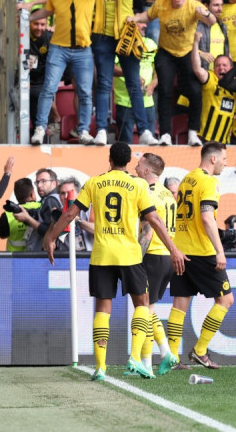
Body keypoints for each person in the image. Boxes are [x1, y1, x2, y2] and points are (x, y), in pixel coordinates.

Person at [44, 142, 187, 381]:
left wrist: (51, 237)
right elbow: (153, 219)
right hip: (129, 254)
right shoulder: (139, 184)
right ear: (129, 161)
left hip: (102, 255)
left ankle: (101, 367)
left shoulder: (94, 183)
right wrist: (173, 248)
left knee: (103, 309)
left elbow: (70, 214)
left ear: (109, 159)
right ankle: (134, 357)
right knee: (143, 304)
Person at [167, 141, 232, 370]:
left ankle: (172, 357)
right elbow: (206, 217)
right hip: (202, 251)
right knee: (226, 300)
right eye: (224, 158)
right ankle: (200, 350)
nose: (226, 163)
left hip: (181, 249)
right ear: (213, 158)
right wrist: (219, 251)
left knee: (180, 303)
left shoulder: (187, 179)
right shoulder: (209, 181)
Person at [129, 0, 217, 146]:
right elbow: (147, 16)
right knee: (165, 91)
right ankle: (165, 134)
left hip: (187, 52)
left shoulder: (194, 5)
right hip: (166, 52)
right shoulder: (161, 3)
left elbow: (211, 21)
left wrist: (206, 13)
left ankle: (193, 133)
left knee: (195, 91)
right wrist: (135, 18)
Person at [29, 0, 99, 145]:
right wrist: (28, 15)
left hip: (82, 50)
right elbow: (47, 11)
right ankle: (40, 128)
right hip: (59, 48)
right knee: (48, 88)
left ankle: (83, 130)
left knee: (85, 92)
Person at [89, 0, 157, 146]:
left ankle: (144, 131)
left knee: (133, 83)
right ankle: (101, 130)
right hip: (102, 36)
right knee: (104, 83)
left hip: (126, 34)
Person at [135, 153, 178, 375]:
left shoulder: (148, 193)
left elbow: (148, 231)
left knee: (144, 310)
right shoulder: (168, 194)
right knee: (149, 310)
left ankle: (148, 363)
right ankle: (162, 355)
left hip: (152, 255)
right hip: (166, 257)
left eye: (138, 165)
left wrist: (136, 259)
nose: (135, 168)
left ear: (146, 171)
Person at [113, 22, 160, 145]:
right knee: (125, 144)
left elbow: (159, 69)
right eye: (140, 23)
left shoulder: (151, 44)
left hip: (147, 101)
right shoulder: (122, 44)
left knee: (150, 145)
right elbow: (111, 68)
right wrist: (131, 75)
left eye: (146, 23)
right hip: (125, 100)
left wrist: (153, 84)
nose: (145, 26)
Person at [191, 31, 236, 143]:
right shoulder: (210, 78)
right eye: (217, 65)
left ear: (231, 68)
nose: (221, 68)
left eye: (225, 65)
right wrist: (195, 43)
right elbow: (197, 69)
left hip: (225, 141)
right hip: (204, 138)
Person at [13, 168, 63, 251]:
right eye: (37, 182)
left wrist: (27, 219)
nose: (39, 185)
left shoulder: (51, 200)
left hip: (48, 254)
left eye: (43, 181)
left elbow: (49, 231)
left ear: (54, 183)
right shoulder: (52, 199)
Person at [0, 178, 42, 252]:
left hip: (14, 256)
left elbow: (2, 235)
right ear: (32, 194)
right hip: (38, 255)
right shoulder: (41, 207)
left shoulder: (7, 214)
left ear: (16, 196)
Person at [54, 177, 95, 251]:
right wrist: (54, 222)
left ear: (79, 194)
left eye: (70, 193)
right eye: (62, 193)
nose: (66, 197)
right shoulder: (58, 212)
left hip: (87, 255)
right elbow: (46, 244)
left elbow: (99, 231)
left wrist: (78, 220)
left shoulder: (89, 209)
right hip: (64, 255)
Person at [197, 0, 229, 72]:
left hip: (220, 72)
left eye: (221, 5)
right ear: (205, 6)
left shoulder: (222, 26)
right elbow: (183, 48)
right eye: (216, 5)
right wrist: (200, 53)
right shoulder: (195, 25)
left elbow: (227, 51)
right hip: (201, 72)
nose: (220, 9)